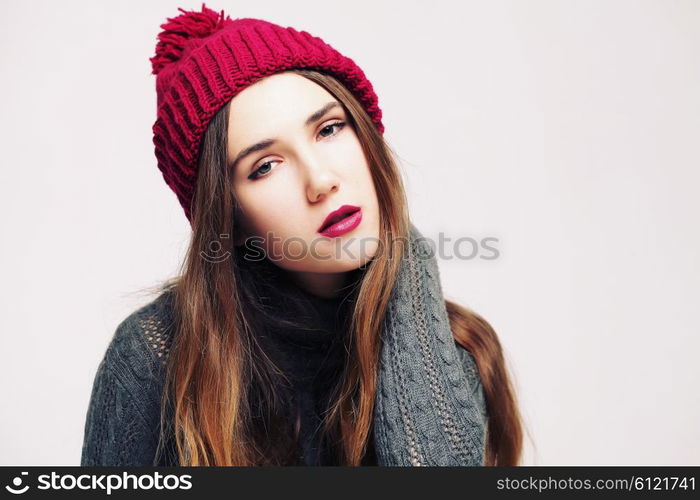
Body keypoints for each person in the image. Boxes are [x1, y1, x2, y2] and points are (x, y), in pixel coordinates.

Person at [80, 3, 523, 466]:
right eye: (265, 166)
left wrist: (408, 272)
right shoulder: (157, 357)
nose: (321, 181)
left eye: (330, 129)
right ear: (227, 217)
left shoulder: (458, 347)